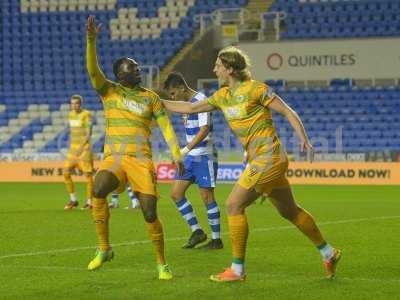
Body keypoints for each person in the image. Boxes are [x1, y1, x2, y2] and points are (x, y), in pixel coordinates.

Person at [162, 46, 341, 282]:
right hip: (261, 160)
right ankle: (328, 252)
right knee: (290, 211)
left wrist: (304, 139)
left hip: (270, 157)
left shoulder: (256, 89)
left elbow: (287, 112)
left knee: (234, 205)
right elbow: (189, 107)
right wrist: (156, 101)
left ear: (230, 69)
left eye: (218, 65)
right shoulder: (222, 96)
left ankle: (237, 270)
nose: (213, 68)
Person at [86, 16, 183, 280]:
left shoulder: (150, 97)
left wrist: (176, 153)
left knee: (149, 213)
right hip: (114, 158)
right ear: (120, 74)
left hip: (141, 160)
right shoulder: (109, 91)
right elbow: (93, 71)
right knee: (97, 189)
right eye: (133, 69)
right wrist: (91, 41)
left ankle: (161, 263)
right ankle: (104, 248)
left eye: (138, 68)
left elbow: (165, 126)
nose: (139, 72)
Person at [164, 72, 223, 250]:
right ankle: (197, 231)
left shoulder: (200, 100)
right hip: (190, 157)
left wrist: (185, 149)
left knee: (207, 196)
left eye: (173, 93)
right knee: (176, 194)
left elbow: (205, 129)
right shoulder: (186, 105)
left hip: (204, 155)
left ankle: (216, 239)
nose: (173, 98)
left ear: (182, 88)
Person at [63, 94, 94, 210]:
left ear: (81, 104)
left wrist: (81, 147)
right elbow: (72, 132)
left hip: (84, 150)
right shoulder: (70, 115)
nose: (74, 105)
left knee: (88, 175)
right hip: (72, 150)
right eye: (72, 103)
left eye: (76, 103)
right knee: (66, 172)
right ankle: (73, 200)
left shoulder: (86, 114)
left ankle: (90, 202)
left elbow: (88, 133)